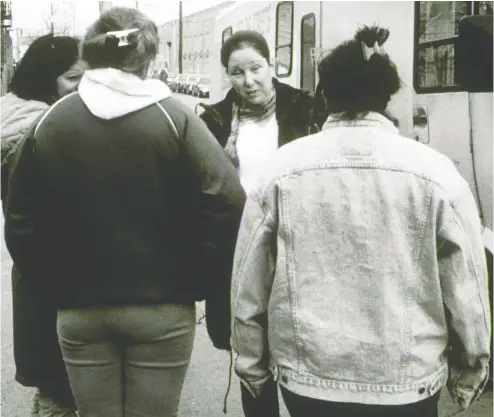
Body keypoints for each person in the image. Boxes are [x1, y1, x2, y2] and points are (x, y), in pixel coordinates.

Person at [230, 25, 491, 417]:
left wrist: (252, 368)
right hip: (407, 384)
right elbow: (467, 285)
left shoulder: (279, 170)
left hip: (309, 381)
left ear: (324, 96)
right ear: (387, 97)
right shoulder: (436, 173)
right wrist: (470, 372)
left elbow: (248, 283)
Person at [4, 7, 245, 417]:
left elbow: (20, 218)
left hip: (79, 309)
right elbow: (227, 199)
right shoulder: (175, 116)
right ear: (148, 59)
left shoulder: (52, 121)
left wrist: (53, 280)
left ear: (90, 55)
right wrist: (200, 276)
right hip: (162, 308)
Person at [199, 30, 318, 415]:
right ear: (226, 76)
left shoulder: (306, 108)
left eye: (256, 68)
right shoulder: (213, 120)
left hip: (297, 245)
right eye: (237, 73)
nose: (248, 81)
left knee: (303, 341)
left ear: (272, 66)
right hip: (239, 248)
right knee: (251, 348)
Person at [1, 33, 87, 417]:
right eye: (72, 78)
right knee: (63, 389)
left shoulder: (12, 115)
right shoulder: (42, 127)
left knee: (56, 387)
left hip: (35, 271)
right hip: (59, 270)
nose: (82, 88)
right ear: (44, 77)